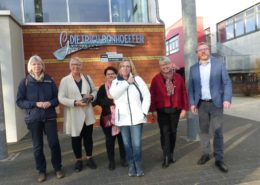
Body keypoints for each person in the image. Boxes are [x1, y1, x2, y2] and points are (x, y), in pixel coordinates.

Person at [16, 55, 64, 183]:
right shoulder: (25, 82)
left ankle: (58, 168)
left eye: (39, 64)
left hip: (49, 116)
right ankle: (41, 171)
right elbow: (19, 101)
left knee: (54, 143)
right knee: (38, 146)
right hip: (34, 118)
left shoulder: (49, 80)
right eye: (34, 64)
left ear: (43, 66)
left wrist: (50, 102)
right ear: (30, 67)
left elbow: (57, 98)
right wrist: (35, 104)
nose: (37, 66)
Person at [188, 42, 232, 173]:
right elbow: (191, 88)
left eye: (205, 49)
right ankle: (206, 154)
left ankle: (219, 159)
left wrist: (227, 99)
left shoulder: (219, 64)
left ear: (209, 50)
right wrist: (192, 103)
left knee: (217, 131)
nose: (203, 52)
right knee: (204, 131)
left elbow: (227, 82)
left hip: (217, 104)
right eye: (200, 50)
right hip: (201, 104)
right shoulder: (193, 68)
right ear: (197, 53)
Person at [109, 59, 151, 177]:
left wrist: (143, 112)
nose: (125, 68)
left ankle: (138, 165)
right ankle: (131, 165)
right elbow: (113, 94)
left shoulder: (138, 79)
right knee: (127, 145)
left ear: (131, 68)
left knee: (136, 144)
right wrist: (127, 83)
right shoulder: (116, 82)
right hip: (123, 119)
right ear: (120, 68)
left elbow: (147, 96)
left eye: (128, 66)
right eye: (123, 66)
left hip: (137, 118)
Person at [58, 57, 97, 172]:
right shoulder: (65, 80)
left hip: (87, 113)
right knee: (76, 139)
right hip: (74, 114)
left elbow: (94, 91)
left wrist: (91, 96)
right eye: (74, 64)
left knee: (88, 138)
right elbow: (61, 98)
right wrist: (75, 102)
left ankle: (89, 158)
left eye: (78, 65)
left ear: (81, 66)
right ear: (70, 66)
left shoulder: (87, 78)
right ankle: (79, 160)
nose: (76, 67)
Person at [150, 56, 188, 168]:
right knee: (164, 133)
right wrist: (153, 110)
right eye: (162, 65)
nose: (165, 67)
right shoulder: (156, 79)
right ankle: (166, 156)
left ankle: (171, 153)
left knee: (173, 132)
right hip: (162, 110)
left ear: (170, 64)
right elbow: (152, 95)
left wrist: (185, 108)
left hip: (175, 109)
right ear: (160, 67)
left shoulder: (178, 77)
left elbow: (183, 93)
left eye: (166, 64)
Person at [95, 66, 127, 170]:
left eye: (112, 73)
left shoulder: (122, 85)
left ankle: (123, 159)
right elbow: (98, 100)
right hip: (107, 119)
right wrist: (111, 102)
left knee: (122, 140)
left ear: (116, 75)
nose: (110, 75)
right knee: (110, 141)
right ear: (105, 76)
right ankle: (111, 161)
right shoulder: (102, 88)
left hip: (121, 118)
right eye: (108, 74)